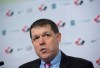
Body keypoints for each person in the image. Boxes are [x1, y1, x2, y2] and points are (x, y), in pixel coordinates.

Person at [19, 18, 94, 68]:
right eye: (36, 38)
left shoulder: (83, 66)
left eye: (46, 35)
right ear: (33, 43)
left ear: (58, 37)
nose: (41, 42)